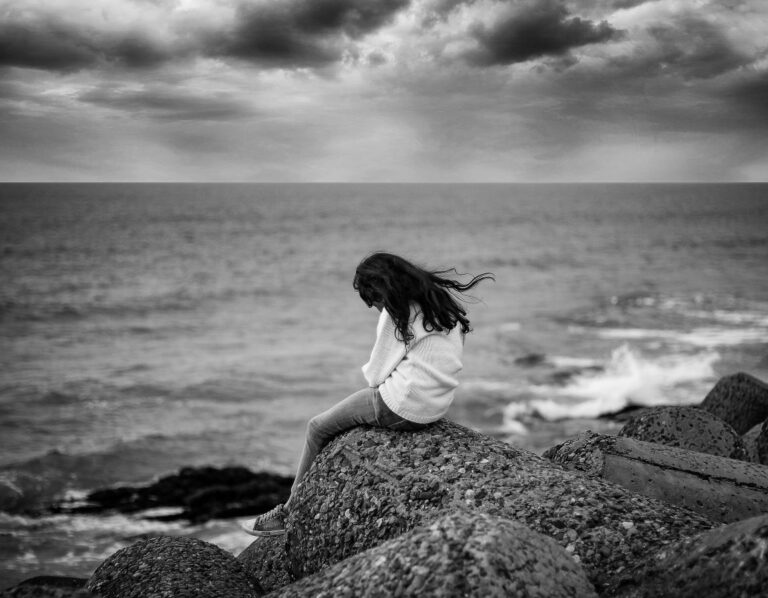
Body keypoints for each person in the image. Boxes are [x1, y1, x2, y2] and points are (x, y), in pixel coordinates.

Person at [241, 252, 493, 536]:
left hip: (401, 405)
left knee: (317, 428)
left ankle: (288, 512)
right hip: (435, 406)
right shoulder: (439, 304)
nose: (374, 307)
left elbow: (375, 375)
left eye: (372, 300)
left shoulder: (397, 313)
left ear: (381, 291)